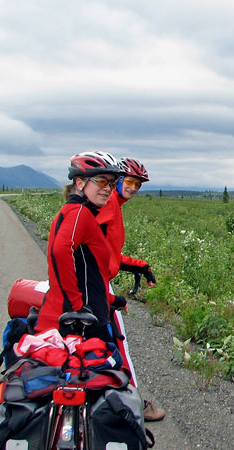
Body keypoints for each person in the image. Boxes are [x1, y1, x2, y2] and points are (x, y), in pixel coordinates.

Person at [23, 151, 154, 450]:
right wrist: (78, 305)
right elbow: (60, 252)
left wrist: (109, 298)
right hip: (81, 323)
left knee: (49, 393)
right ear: (79, 182)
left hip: (56, 319)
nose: (108, 189)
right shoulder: (80, 213)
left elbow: (89, 268)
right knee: (113, 391)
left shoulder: (75, 213)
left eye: (112, 183)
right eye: (102, 182)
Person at [96, 157, 165, 422]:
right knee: (119, 344)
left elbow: (109, 253)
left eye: (137, 184)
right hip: (96, 285)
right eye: (130, 181)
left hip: (96, 283)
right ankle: (134, 404)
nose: (133, 188)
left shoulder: (113, 205)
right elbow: (91, 252)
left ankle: (104, 398)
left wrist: (140, 266)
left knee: (99, 343)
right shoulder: (107, 206)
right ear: (117, 180)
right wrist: (107, 295)